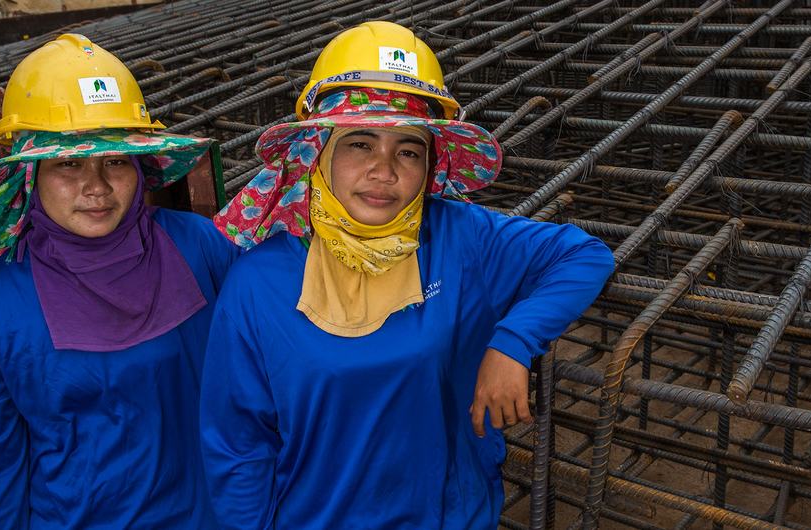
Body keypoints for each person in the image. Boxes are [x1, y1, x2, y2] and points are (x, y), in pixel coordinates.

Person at [202, 21, 613, 528]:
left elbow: (585, 255)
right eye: (359, 144)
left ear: (429, 164)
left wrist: (512, 341)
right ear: (319, 153)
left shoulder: (460, 236)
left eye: (408, 150)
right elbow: (238, 443)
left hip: (448, 515)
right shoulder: (258, 282)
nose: (385, 170)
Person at [0, 34, 237, 528]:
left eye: (115, 162)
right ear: (29, 176)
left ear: (140, 170)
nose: (95, 187)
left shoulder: (199, 246)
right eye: (68, 164)